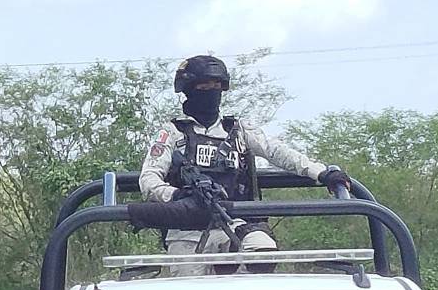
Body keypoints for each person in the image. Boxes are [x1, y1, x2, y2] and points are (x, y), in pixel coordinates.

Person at [141, 54, 351, 260]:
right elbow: (148, 179)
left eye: (216, 86)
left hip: (237, 223)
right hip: (186, 233)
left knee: (262, 251)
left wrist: (321, 172)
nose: (211, 92)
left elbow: (276, 151)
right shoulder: (171, 133)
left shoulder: (238, 129)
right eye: (203, 87)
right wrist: (177, 196)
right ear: (188, 91)